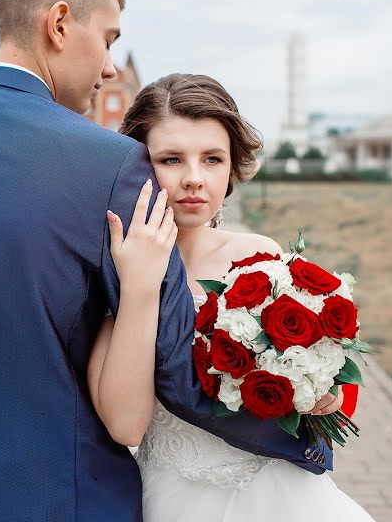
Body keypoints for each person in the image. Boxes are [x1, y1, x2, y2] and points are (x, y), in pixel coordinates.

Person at [0, 0, 330, 522]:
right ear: (58, 23)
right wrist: (302, 429)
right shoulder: (110, 164)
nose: (108, 66)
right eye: (107, 39)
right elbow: (177, 370)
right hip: (46, 489)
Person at [90, 73, 374, 521]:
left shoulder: (259, 255)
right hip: (176, 497)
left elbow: (318, 376)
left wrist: (320, 393)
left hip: (282, 494)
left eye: (212, 159)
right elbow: (125, 424)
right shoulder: (118, 269)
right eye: (170, 159)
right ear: (139, 166)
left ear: (232, 165)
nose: (194, 179)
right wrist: (142, 287)